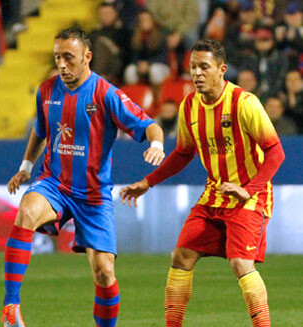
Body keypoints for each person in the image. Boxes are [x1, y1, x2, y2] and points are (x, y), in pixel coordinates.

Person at [1, 26, 165, 327]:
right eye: (57, 57)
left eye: (69, 57)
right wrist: (25, 168)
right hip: (54, 184)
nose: (62, 64)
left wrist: (156, 145)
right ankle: (11, 307)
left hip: (93, 195)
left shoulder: (107, 94)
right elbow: (40, 131)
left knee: (104, 272)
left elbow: (151, 125)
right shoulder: (46, 90)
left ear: (87, 57)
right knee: (26, 211)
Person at [120, 39, 285, 327]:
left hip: (250, 197)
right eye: (193, 67)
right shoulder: (189, 106)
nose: (196, 73)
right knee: (181, 255)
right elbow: (184, 153)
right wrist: (148, 182)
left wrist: (248, 190)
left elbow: (276, 152)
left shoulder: (244, 103)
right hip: (214, 196)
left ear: (221, 69)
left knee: (240, 263)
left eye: (204, 67)